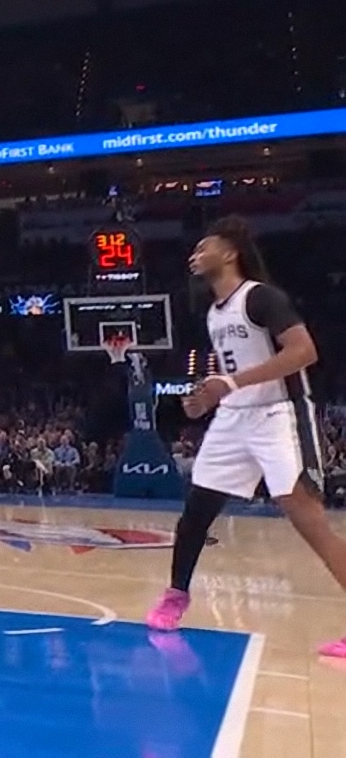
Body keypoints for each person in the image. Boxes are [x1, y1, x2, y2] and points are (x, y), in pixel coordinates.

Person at [147, 217, 346, 659]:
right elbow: (233, 374)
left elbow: (304, 352)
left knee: (309, 521)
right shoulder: (214, 312)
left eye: (203, 247)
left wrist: (231, 383)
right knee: (195, 513)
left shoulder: (261, 297)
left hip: (279, 414)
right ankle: (176, 595)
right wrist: (207, 399)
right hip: (234, 418)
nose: (194, 255)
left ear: (229, 252)